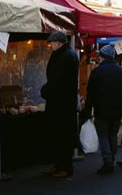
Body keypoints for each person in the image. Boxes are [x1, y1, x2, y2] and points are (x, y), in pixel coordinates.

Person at [81, 44, 122, 175]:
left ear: (103, 57)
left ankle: (107, 161)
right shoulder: (121, 71)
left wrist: (87, 111)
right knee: (113, 135)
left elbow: (90, 93)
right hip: (118, 110)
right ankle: (111, 158)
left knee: (103, 135)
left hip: (101, 110)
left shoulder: (97, 72)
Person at [41, 31, 79, 178]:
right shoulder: (64, 54)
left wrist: (46, 90)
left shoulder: (67, 56)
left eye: (52, 43)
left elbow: (59, 80)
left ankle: (64, 167)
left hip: (62, 103)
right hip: (59, 102)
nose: (50, 45)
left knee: (63, 136)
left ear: (59, 42)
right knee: (59, 135)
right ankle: (59, 165)